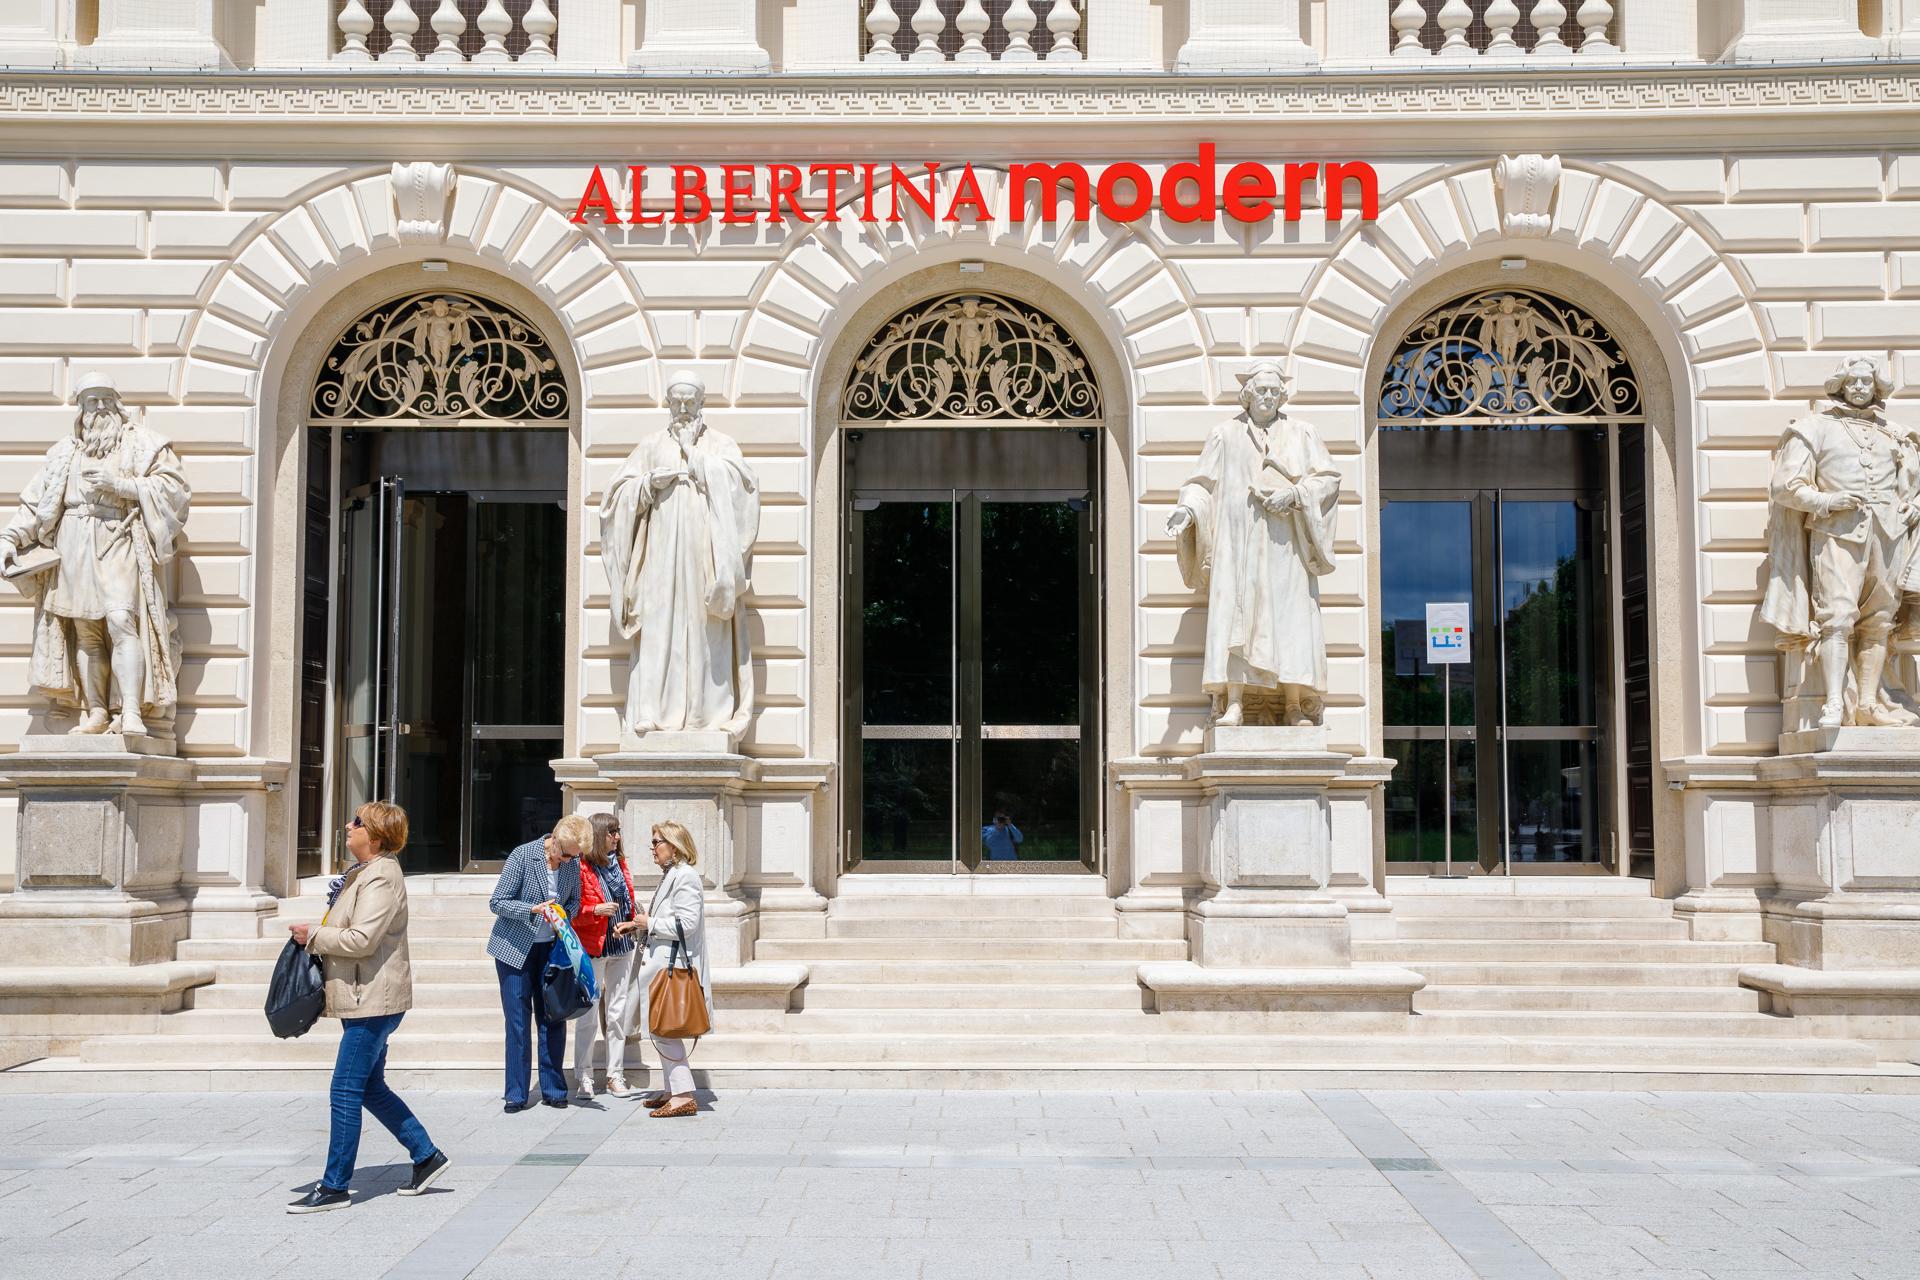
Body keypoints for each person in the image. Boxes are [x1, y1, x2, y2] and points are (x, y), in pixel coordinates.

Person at [0, 371, 191, 737]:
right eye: (91, 401)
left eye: (105, 399)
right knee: (86, 630)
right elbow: (36, 502)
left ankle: (132, 711)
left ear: (118, 405)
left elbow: (175, 491)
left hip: (117, 538)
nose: (99, 407)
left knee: (121, 620)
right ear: (81, 410)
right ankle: (97, 711)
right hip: (72, 543)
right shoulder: (64, 453)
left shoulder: (145, 445)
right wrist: (9, 538)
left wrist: (120, 485)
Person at [286, 801, 448, 1214]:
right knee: (370, 1086)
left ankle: (335, 1185)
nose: (347, 825)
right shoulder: (364, 873)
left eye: (356, 823)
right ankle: (425, 1154)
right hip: (366, 995)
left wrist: (315, 937)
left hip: (372, 999)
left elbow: (362, 940)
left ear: (374, 838)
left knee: (344, 1089)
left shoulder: (380, 878)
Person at [1167, 362, 1340, 728]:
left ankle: (1293, 704)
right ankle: (1234, 703)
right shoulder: (1224, 435)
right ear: (1246, 395)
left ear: (1282, 395)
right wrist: (1188, 511)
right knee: (1236, 621)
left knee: (1290, 621)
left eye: (1274, 391)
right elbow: (1202, 483)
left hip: (1286, 546)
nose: (1267, 397)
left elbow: (1328, 480)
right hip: (1237, 544)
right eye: (1261, 390)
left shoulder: (1303, 433)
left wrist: (1294, 494)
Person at [1765, 355, 1920, 729]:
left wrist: (1914, 505)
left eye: (1867, 381)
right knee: (1836, 616)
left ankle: (1868, 703)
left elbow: (1913, 486)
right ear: (1840, 385)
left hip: (1889, 535)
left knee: (1880, 621)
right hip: (1836, 533)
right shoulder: (1813, 428)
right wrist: (1826, 500)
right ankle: (1834, 701)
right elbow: (1785, 486)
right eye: (1853, 381)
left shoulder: (1895, 433)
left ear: (1878, 387)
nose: (1860, 388)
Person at [487, 814, 587, 1113]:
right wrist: (532, 909)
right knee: (518, 1022)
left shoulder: (571, 865)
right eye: (567, 853)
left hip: (552, 951)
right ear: (554, 841)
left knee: (553, 1018)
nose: (570, 860)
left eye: (575, 856)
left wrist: (562, 914)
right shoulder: (523, 855)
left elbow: (575, 902)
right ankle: (516, 1094)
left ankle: (554, 1089)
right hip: (515, 950)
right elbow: (498, 902)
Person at [631, 820, 712, 1118]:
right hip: (662, 963)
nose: (652, 848)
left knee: (666, 1028)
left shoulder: (685, 877)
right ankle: (671, 1090)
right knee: (662, 1027)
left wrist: (648, 923)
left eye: (656, 842)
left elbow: (687, 925)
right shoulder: (672, 875)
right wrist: (639, 925)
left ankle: (682, 1095)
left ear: (674, 846)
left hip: (673, 967)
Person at [570, 812, 643, 1101]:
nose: (617, 837)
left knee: (617, 1013)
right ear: (599, 836)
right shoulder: (580, 868)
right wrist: (594, 911)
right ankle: (584, 1076)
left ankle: (615, 1074)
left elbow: (628, 901)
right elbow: (569, 911)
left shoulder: (621, 864)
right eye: (612, 832)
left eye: (618, 832)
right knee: (588, 1014)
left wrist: (633, 914)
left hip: (622, 946)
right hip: (593, 947)